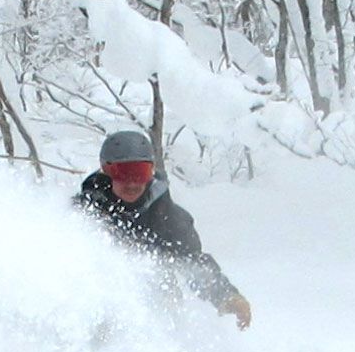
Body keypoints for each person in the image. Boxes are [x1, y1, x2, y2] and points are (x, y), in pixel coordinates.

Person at [75, 128, 252, 329]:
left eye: (140, 173)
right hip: (96, 309)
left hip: (157, 309)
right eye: (124, 173)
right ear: (105, 171)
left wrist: (225, 296)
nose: (132, 183)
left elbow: (192, 263)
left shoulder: (167, 217)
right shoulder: (83, 214)